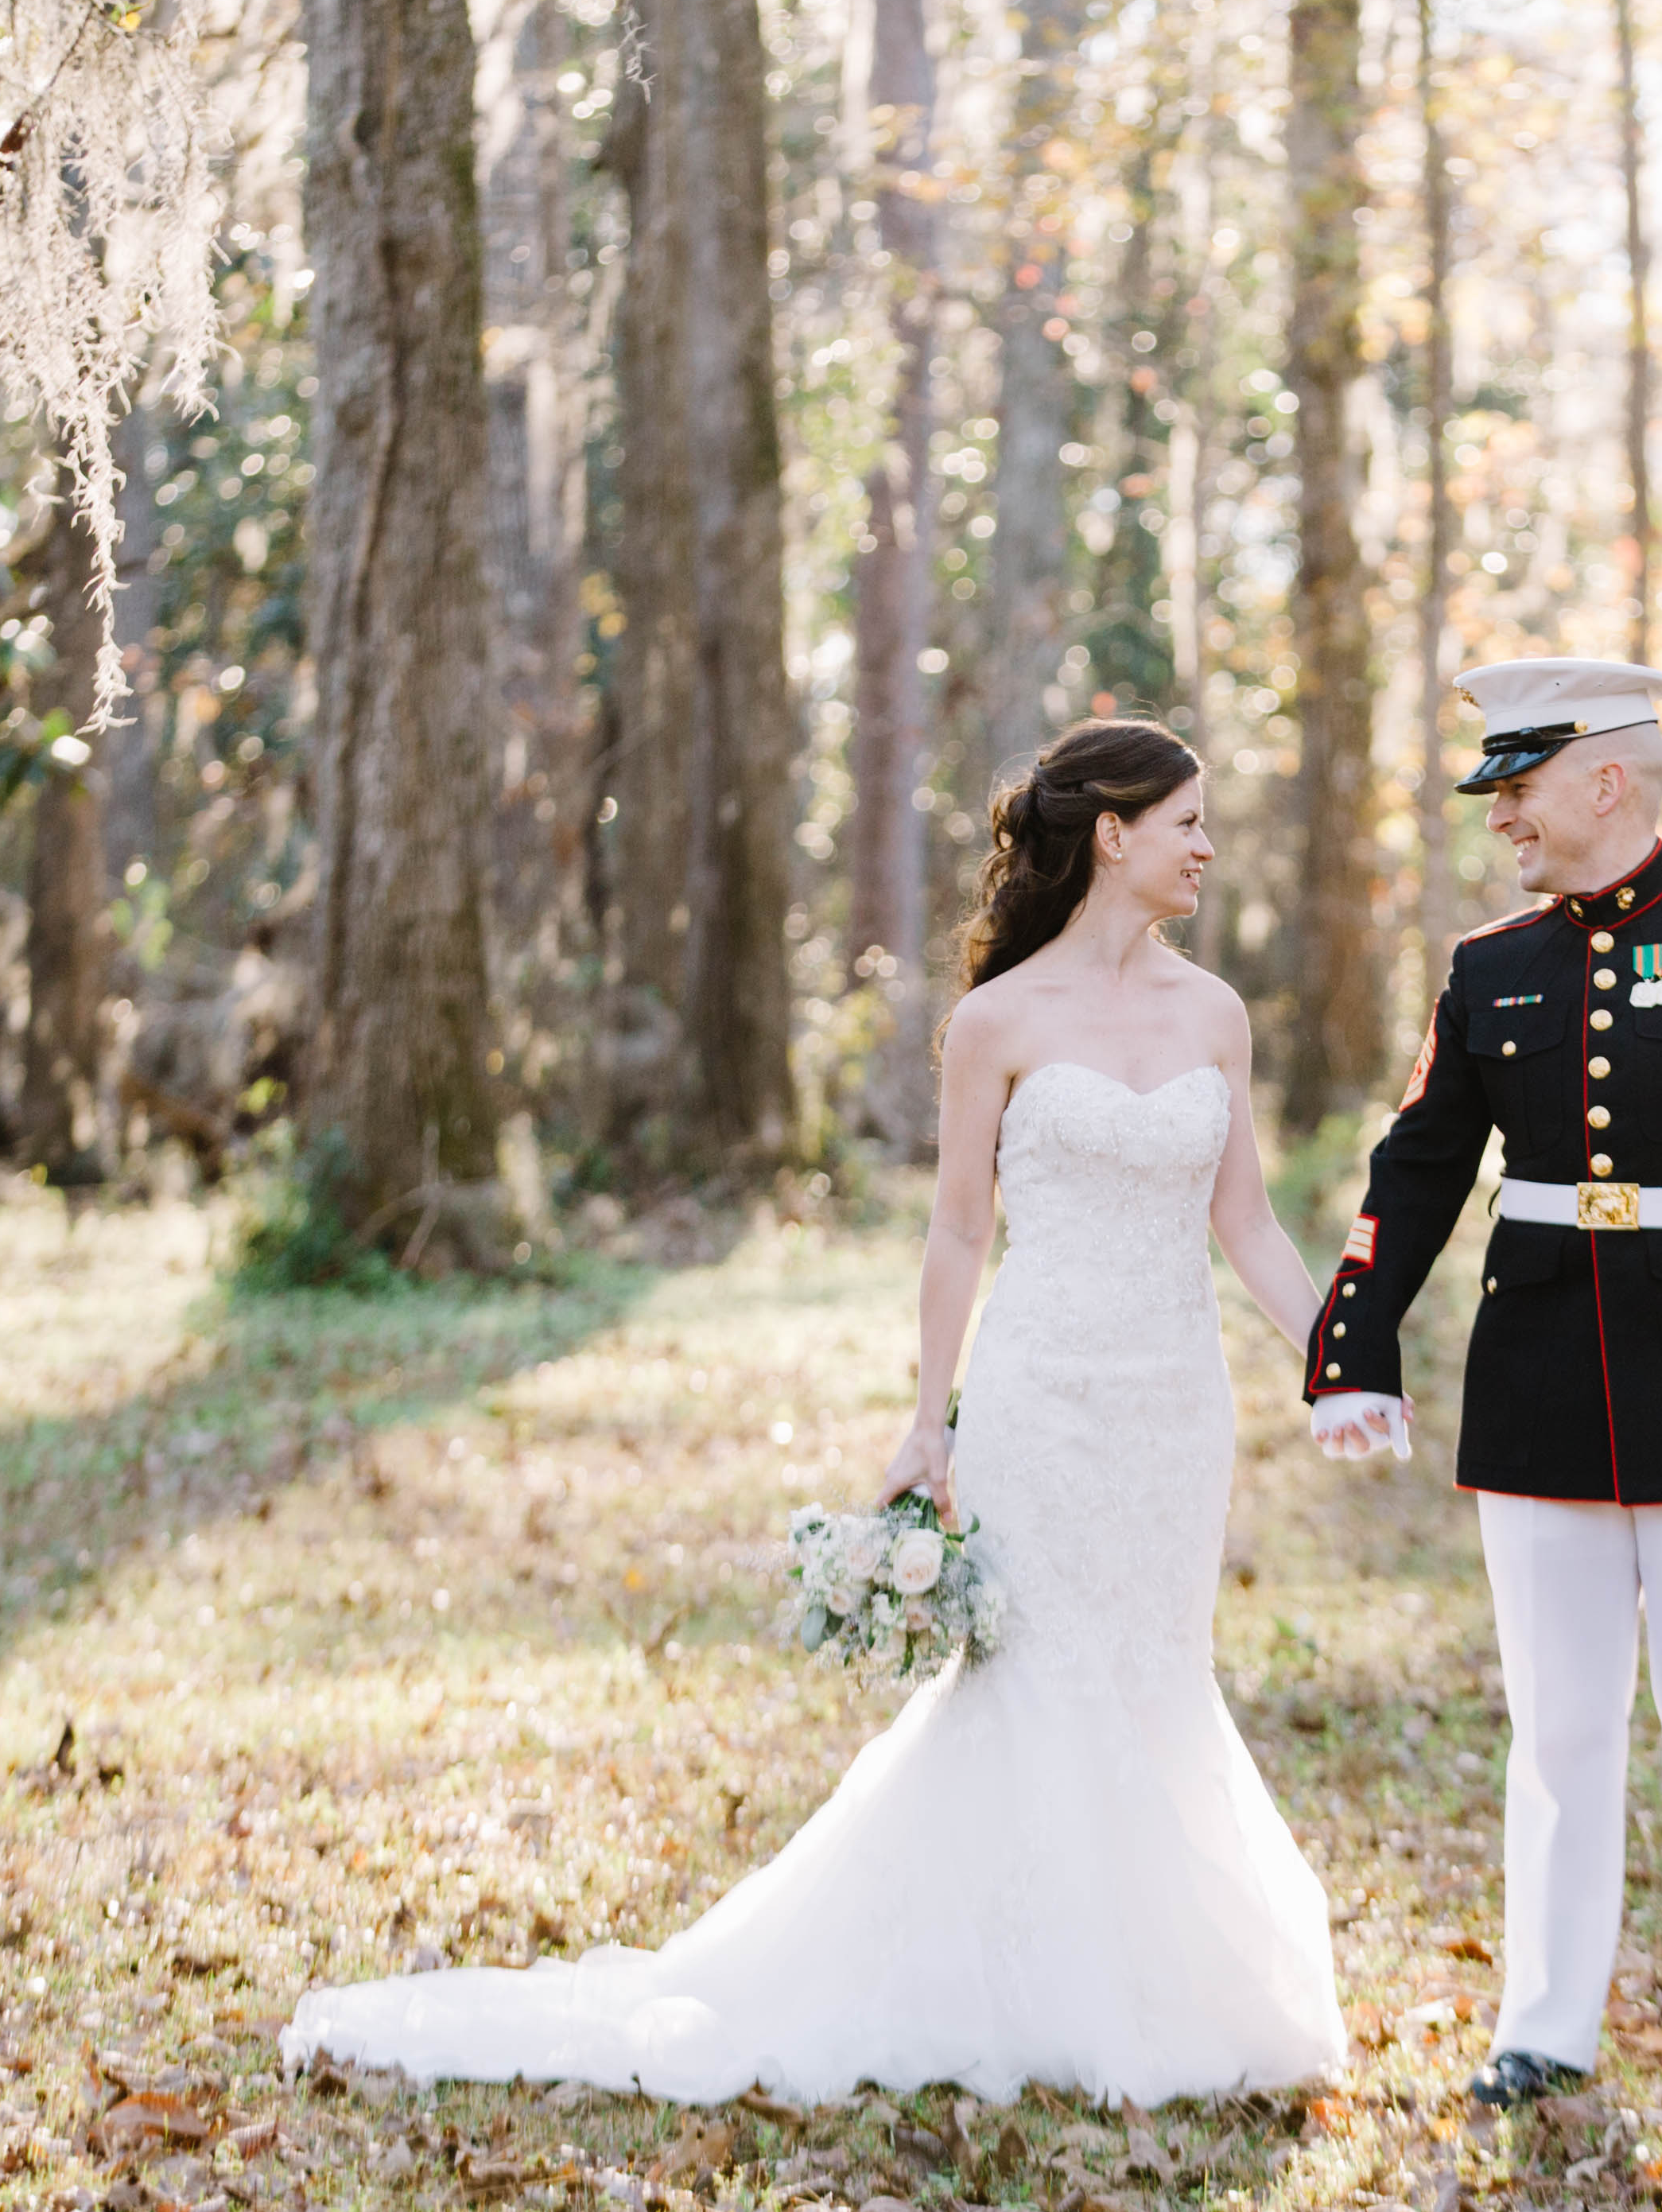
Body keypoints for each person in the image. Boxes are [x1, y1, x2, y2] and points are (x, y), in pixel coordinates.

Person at [282, 721, 1345, 2105]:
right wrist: (930, 1417)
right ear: (1115, 834)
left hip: (1174, 1406)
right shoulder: (999, 1022)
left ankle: (1156, 1982)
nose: (1209, 845)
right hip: (1044, 1397)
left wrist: (1340, 1354)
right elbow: (960, 1230)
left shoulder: (1216, 1015)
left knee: (1156, 1665)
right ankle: (1006, 1985)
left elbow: (1247, 1221)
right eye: (1189, 821)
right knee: (1037, 1673)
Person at [1307, 657, 1662, 2104]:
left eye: (1519, 786)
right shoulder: (1489, 969)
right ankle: (1545, 2027)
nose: (1502, 816)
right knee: (1558, 1732)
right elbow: (1418, 1170)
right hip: (1541, 1383)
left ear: (1604, 780)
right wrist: (1352, 1346)